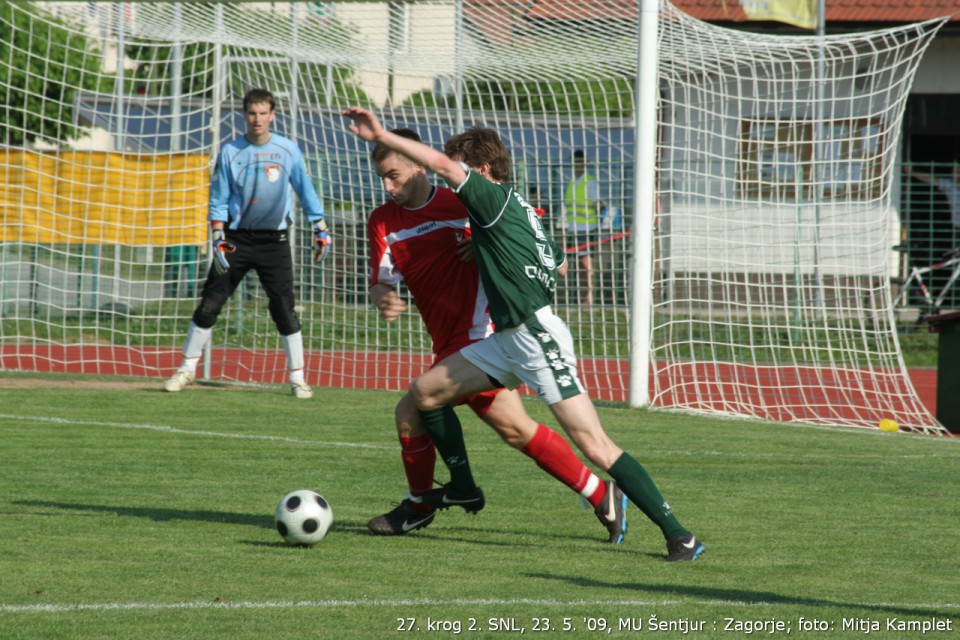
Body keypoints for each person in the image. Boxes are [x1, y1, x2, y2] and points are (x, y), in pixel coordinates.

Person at [343, 107, 704, 562]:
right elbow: (560, 262)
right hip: (506, 340)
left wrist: (379, 132)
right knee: (425, 394)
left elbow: (441, 167)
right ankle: (461, 488)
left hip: (533, 335)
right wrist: (491, 246)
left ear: (484, 171)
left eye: (462, 172)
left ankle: (679, 534)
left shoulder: (487, 201)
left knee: (594, 443)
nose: (456, 180)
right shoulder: (507, 208)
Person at [364, 129, 627, 543]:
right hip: (445, 336)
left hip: (481, 333)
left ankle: (423, 504)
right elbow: (380, 279)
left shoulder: (461, 199)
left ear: (418, 164)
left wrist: (480, 242)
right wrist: (383, 297)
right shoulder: (382, 220)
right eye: (381, 177)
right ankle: (599, 493)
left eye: (394, 175)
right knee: (515, 429)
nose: (387, 186)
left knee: (413, 407)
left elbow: (520, 230)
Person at [165, 88, 332, 399]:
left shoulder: (288, 150)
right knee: (210, 302)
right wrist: (218, 236)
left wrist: (320, 227)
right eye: (252, 113)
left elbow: (305, 191)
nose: (258, 119)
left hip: (275, 242)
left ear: (273, 115)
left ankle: (298, 378)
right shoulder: (230, 152)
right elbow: (218, 199)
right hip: (236, 240)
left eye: (263, 113)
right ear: (245, 115)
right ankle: (186, 369)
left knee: (284, 308)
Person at [564, 150, 605, 306]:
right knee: (579, 264)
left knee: (586, 263)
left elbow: (599, 204)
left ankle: (589, 296)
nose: (577, 165)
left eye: (580, 161)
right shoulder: (572, 182)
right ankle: (583, 296)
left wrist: (598, 221)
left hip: (587, 228)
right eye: (575, 162)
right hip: (573, 229)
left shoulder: (589, 181)